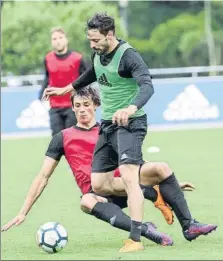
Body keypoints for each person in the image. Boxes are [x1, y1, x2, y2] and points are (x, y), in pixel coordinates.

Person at [2, 85, 217, 253]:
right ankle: (146, 230)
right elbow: (43, 176)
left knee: (161, 168)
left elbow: (133, 162)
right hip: (97, 194)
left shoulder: (110, 129)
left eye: (86, 104)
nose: (82, 110)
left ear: (95, 105)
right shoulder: (63, 138)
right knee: (85, 201)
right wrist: (23, 212)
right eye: (77, 105)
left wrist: (172, 184)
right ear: (73, 108)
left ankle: (189, 226)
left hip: (123, 186)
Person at [43, 13, 155, 252]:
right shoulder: (99, 54)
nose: (91, 45)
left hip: (131, 122)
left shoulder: (129, 56)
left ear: (110, 34)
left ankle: (135, 239)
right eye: (89, 40)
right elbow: (91, 73)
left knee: (128, 175)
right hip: (108, 123)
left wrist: (131, 106)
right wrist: (66, 89)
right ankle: (154, 193)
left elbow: (147, 84)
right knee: (98, 182)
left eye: (95, 40)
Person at [40, 27, 88, 136]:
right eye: (54, 39)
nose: (58, 41)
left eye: (60, 38)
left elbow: (86, 80)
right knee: (57, 140)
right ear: (51, 42)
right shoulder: (47, 58)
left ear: (66, 40)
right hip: (55, 106)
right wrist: (41, 94)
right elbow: (48, 77)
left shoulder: (78, 58)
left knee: (71, 140)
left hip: (73, 106)